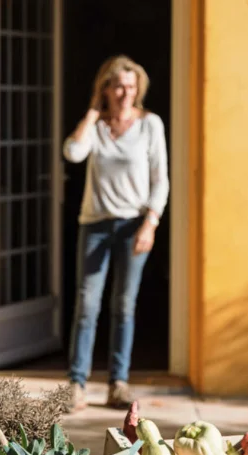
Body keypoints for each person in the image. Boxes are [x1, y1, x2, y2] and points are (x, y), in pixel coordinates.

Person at [63, 55, 169, 412]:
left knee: (124, 305)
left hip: (133, 225)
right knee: (87, 304)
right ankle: (77, 384)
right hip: (94, 225)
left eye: (131, 86)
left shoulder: (150, 125)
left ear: (138, 89)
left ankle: (117, 384)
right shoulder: (97, 127)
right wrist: (93, 113)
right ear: (106, 89)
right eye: (118, 86)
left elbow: (160, 179)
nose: (125, 93)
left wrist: (150, 223)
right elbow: (73, 152)